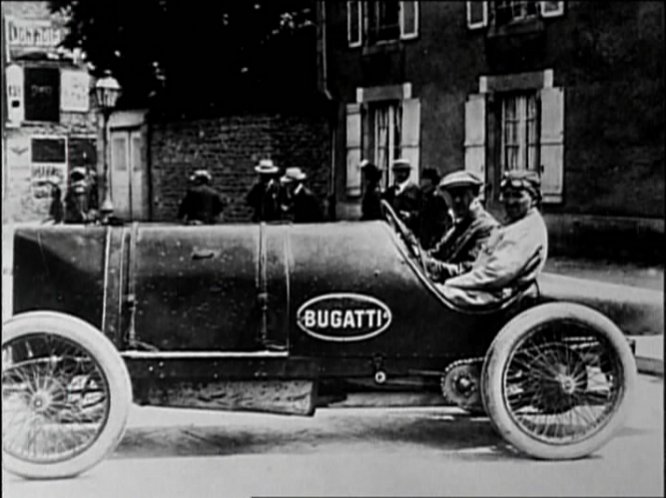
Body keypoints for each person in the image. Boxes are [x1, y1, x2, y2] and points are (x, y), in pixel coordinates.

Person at [438, 170, 549, 308]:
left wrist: (451, 283)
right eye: (507, 195)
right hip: (487, 289)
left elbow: (495, 274)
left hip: (497, 296)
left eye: (518, 196)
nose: (510, 201)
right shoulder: (514, 223)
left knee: (433, 296)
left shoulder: (527, 228)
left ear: (534, 199)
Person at [426, 170, 499, 281]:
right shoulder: (462, 223)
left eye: (462, 194)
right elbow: (438, 251)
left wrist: (432, 266)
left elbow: (470, 270)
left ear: (475, 195)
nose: (457, 200)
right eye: (453, 195)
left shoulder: (486, 227)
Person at [381, 158, 422, 231]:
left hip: (410, 230)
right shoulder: (389, 192)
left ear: (408, 172)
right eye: (397, 171)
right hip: (391, 230)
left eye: (403, 171)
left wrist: (411, 215)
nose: (399, 174)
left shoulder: (417, 191)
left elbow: (422, 211)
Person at [415, 168, 450, 250]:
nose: (422, 182)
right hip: (422, 240)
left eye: (425, 179)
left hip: (432, 241)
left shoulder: (437, 199)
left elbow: (441, 224)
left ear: (431, 181)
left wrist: (433, 243)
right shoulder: (422, 197)